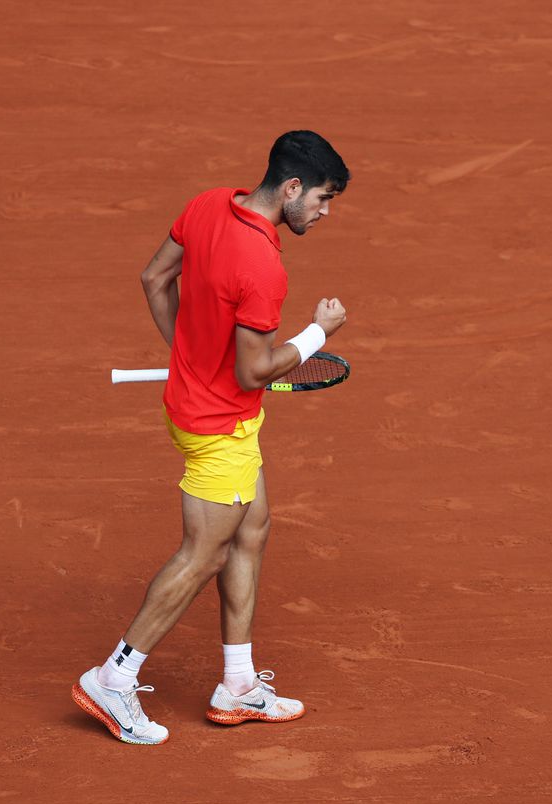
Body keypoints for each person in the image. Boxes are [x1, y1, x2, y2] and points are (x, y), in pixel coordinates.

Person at [71, 131, 350, 745]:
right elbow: (254, 371)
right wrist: (317, 334)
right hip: (218, 427)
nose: (325, 212)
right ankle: (112, 679)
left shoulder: (207, 204)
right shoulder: (263, 267)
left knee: (251, 529)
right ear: (293, 188)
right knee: (205, 554)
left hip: (210, 411)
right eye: (323, 199)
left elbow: (154, 278)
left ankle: (239, 685)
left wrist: (191, 357)